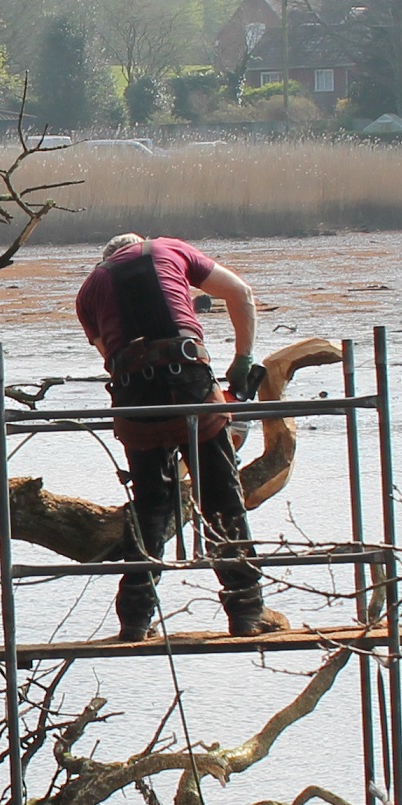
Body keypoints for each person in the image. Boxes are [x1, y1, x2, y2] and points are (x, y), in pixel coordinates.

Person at [74, 233, 290, 643]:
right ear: (137, 244)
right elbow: (241, 293)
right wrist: (243, 358)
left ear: (107, 259)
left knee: (150, 503)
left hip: (134, 391)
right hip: (188, 376)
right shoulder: (167, 249)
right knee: (221, 494)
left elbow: (109, 358)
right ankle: (246, 611)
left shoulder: (88, 292)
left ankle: (135, 620)